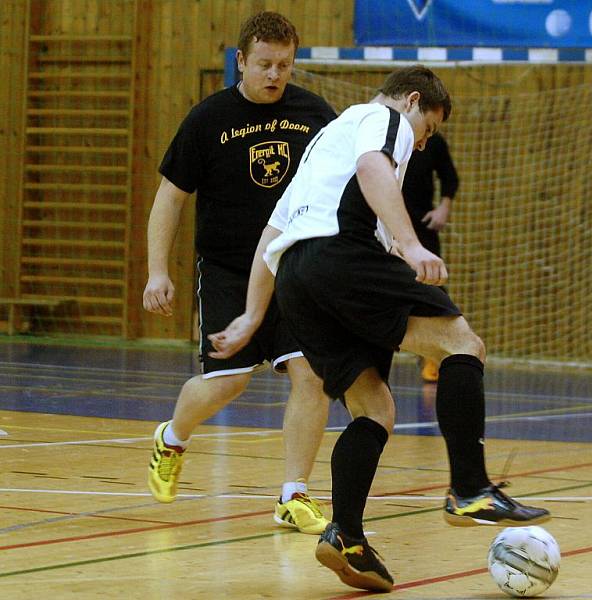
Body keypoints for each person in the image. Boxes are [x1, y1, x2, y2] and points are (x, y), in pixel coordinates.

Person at [209, 65, 550, 593]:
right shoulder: (381, 118)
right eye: (428, 129)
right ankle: (469, 488)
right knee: (463, 343)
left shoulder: (324, 142)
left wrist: (254, 316)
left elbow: (272, 234)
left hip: (297, 281)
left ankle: (346, 534)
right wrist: (412, 245)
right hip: (343, 256)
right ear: (413, 101)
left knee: (376, 409)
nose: (422, 141)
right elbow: (374, 167)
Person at [142, 11, 337, 534]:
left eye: (285, 65)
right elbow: (170, 197)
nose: (275, 75)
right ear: (242, 61)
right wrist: (157, 270)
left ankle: (294, 494)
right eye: (266, 64)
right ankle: (173, 437)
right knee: (228, 382)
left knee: (311, 375)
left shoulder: (316, 114)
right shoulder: (208, 119)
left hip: (294, 268)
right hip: (229, 269)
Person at [402, 132, 459, 382]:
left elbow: (450, 177)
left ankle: (435, 355)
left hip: (421, 226)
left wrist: (443, 209)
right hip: (384, 227)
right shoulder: (383, 136)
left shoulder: (433, 141)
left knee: (432, 287)